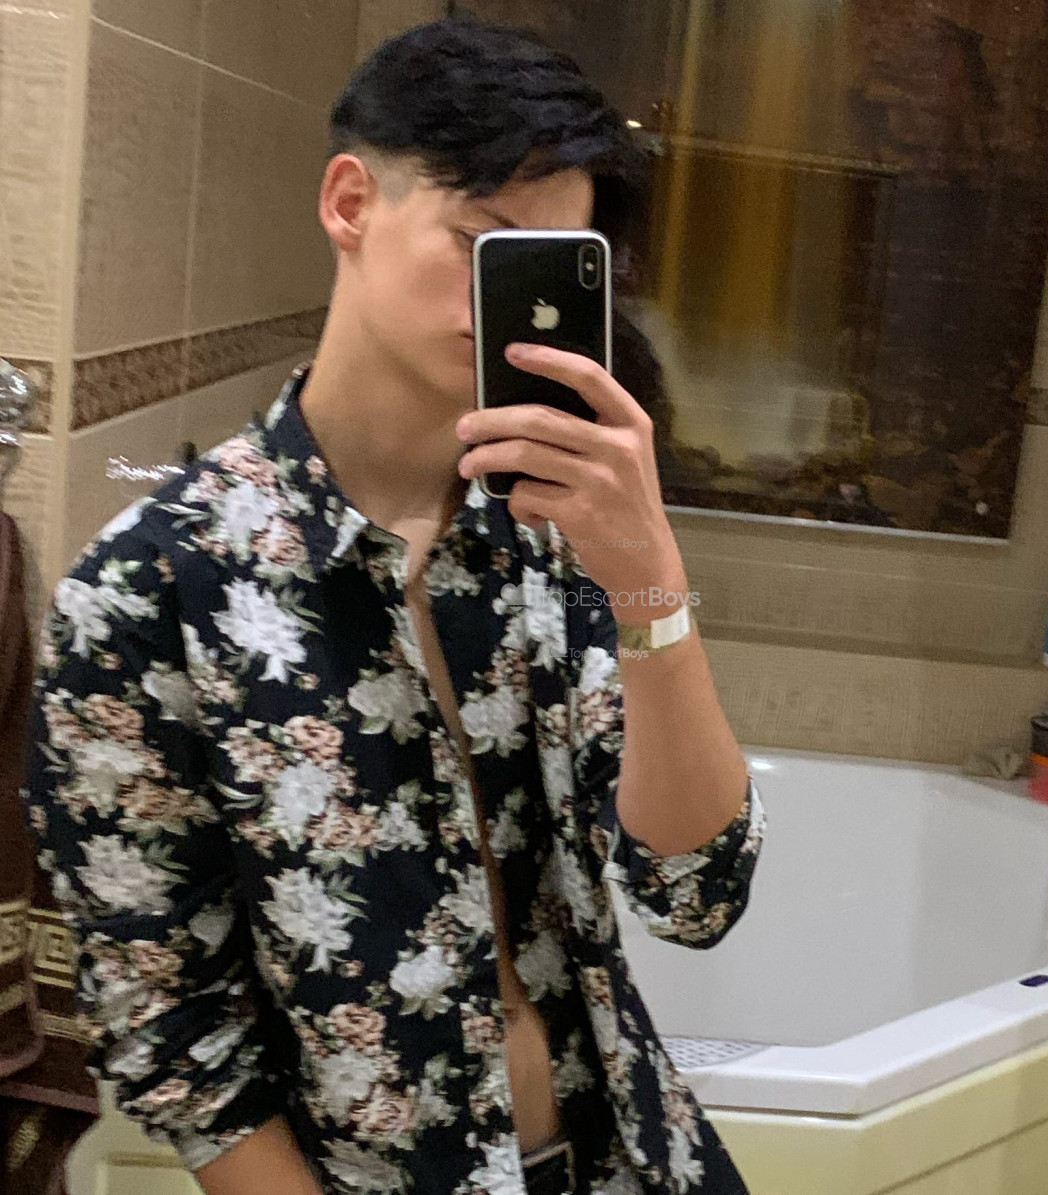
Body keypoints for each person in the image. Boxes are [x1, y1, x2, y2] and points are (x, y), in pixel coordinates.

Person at [19, 17, 765, 1195]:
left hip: (637, 1159)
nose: (503, 296)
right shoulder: (150, 593)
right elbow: (174, 1045)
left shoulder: (558, 530)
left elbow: (696, 894)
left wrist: (650, 580)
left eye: (544, 261)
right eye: (479, 241)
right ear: (350, 203)